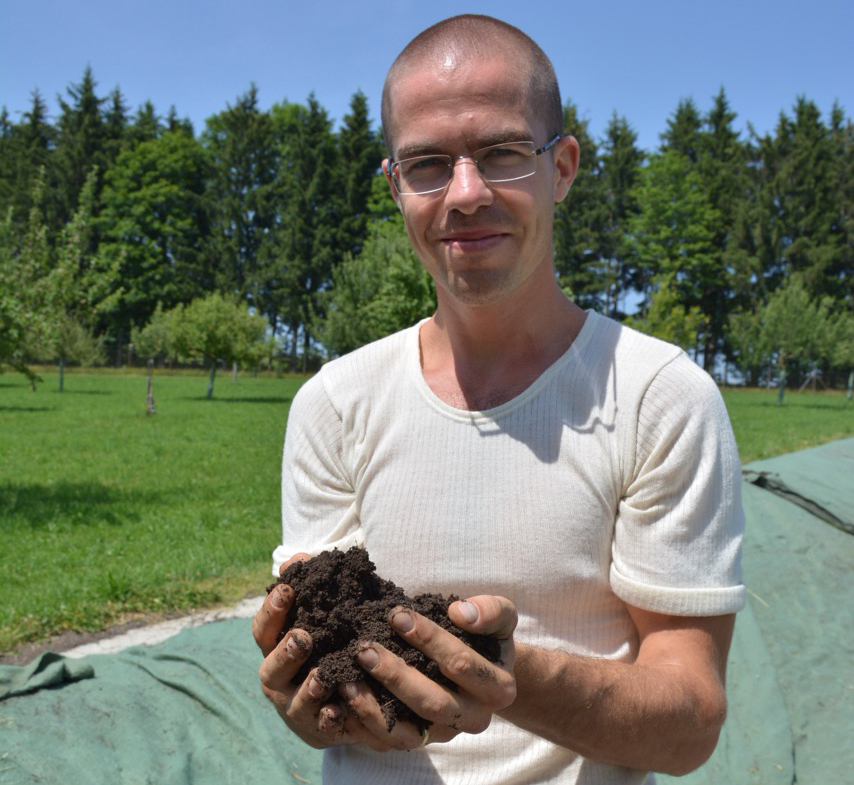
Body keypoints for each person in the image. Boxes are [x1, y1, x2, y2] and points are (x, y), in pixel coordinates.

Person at [253, 14, 745, 785]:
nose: (466, 193)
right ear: (394, 186)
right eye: (427, 165)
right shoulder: (335, 402)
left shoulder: (659, 397)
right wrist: (312, 699)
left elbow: (688, 724)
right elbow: (322, 694)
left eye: (502, 154)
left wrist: (506, 674)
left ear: (564, 167)